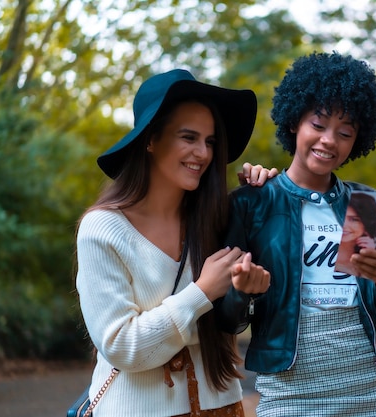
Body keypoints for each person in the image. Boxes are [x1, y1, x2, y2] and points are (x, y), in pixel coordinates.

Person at [216, 51, 376, 416]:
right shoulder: (252, 203)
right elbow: (227, 319)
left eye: (345, 132)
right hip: (290, 396)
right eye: (318, 125)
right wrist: (242, 293)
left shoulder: (365, 205)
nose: (329, 140)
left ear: (357, 140)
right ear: (294, 122)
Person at [75, 68, 274, 417]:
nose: (203, 153)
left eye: (210, 142)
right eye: (189, 137)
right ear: (150, 140)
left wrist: (264, 199)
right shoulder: (102, 228)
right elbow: (120, 345)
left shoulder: (219, 218)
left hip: (223, 406)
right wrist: (201, 292)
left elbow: (242, 317)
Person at [335, 192, 376, 276]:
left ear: (366, 224)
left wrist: (371, 256)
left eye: (354, 219)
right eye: (340, 216)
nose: (344, 225)